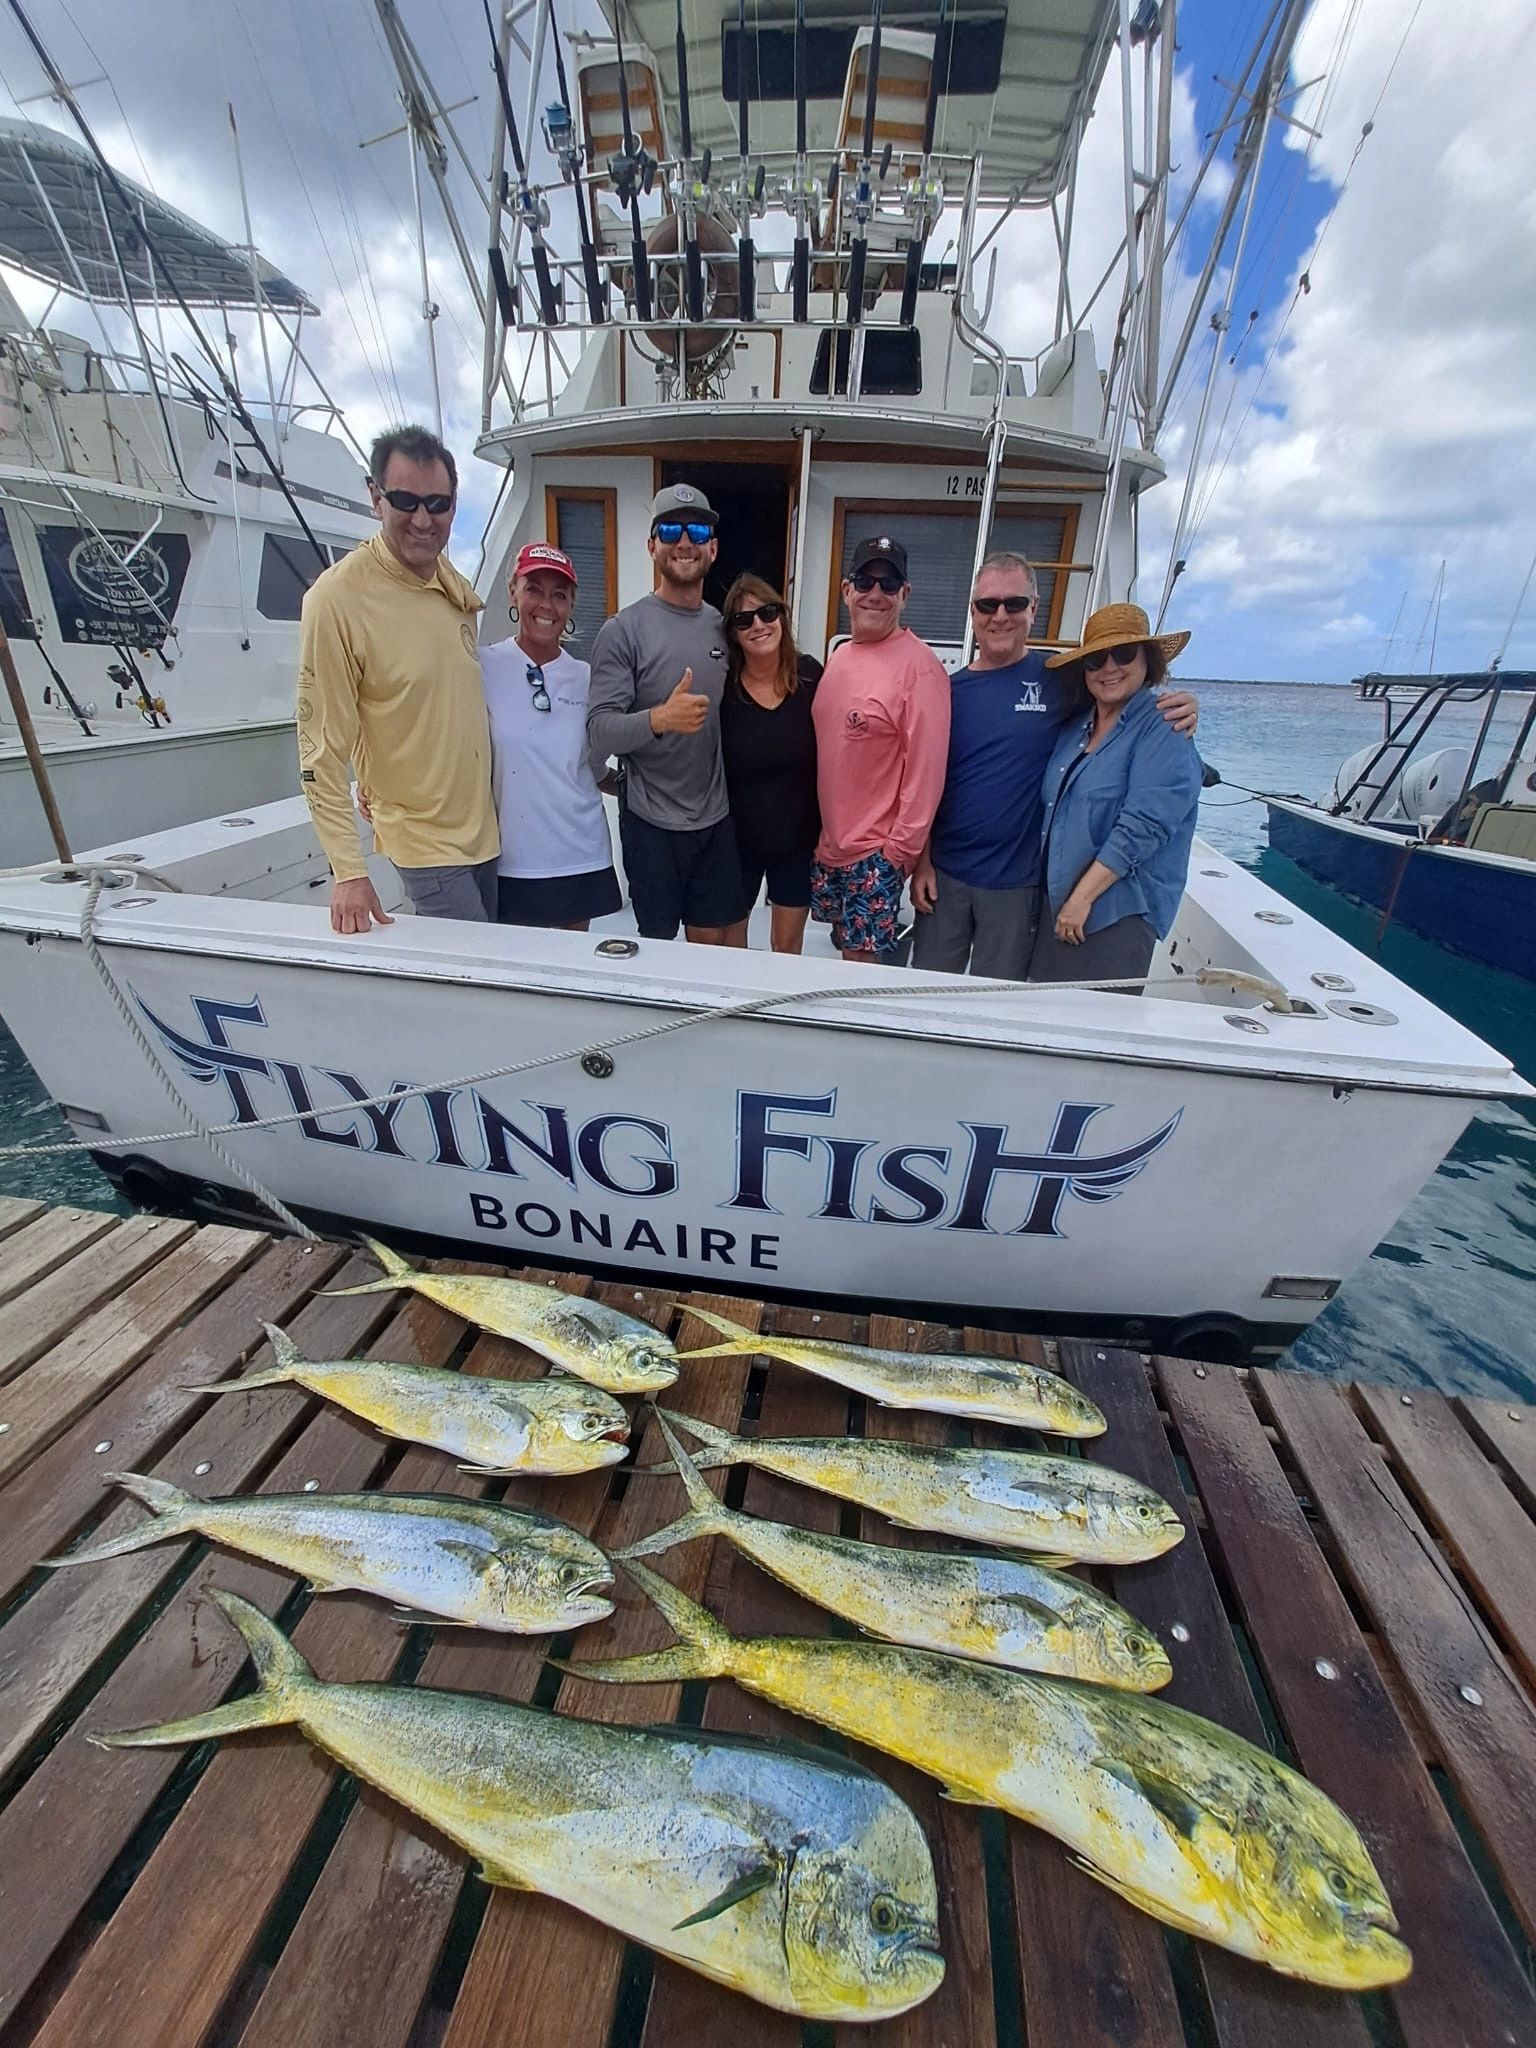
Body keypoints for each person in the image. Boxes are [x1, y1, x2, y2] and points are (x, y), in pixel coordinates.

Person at [913, 554, 1198, 979]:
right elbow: (924, 780)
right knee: (926, 989)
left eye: (1013, 603)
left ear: (1034, 607)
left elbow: (1129, 711)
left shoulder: (1058, 679)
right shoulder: (945, 690)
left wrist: (1185, 707)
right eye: (988, 605)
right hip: (944, 878)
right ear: (973, 613)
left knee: (996, 1002)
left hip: (1019, 885)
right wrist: (921, 861)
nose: (1001, 616)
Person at [297, 424, 498, 934]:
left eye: (439, 503)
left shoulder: (452, 588)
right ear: (375, 497)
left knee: (495, 972)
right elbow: (319, 750)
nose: (424, 520)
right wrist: (348, 872)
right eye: (406, 500)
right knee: (473, 986)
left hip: (485, 837)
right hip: (426, 846)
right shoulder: (336, 601)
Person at [586, 483, 747, 944]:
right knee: (656, 949)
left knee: (711, 947)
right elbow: (598, 734)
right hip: (649, 825)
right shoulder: (622, 630)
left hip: (715, 820)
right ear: (651, 544)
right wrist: (660, 718)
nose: (684, 541)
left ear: (712, 548)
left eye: (697, 530)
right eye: (670, 529)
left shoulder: (726, 628)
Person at [1028, 603, 1203, 990]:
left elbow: (1145, 824)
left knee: (1095, 1032)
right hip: (1059, 909)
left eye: (1123, 655)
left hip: (1112, 914)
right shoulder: (1077, 726)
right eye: (1096, 660)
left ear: (1148, 661)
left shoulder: (1164, 724)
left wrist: (1081, 899)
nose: (1109, 668)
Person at [810, 536, 950, 963]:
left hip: (875, 855)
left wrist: (896, 858)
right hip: (829, 847)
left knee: (860, 971)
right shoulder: (839, 657)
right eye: (865, 581)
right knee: (840, 954)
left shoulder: (921, 668)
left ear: (904, 594)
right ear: (846, 589)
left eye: (889, 584)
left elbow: (925, 777)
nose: (876, 594)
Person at [481, 542, 621, 930]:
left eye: (560, 595)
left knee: (571, 980)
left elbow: (587, 767)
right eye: (534, 589)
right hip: (512, 860)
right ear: (514, 592)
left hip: (581, 854)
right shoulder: (482, 666)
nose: (547, 605)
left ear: (572, 606)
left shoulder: (589, 678)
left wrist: (639, 787)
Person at [719, 573, 824, 954]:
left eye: (767, 612)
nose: (758, 625)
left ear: (782, 615)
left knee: (786, 946)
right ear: (732, 632)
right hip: (737, 841)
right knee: (731, 946)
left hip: (798, 841)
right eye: (743, 620)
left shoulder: (812, 675)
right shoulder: (724, 687)